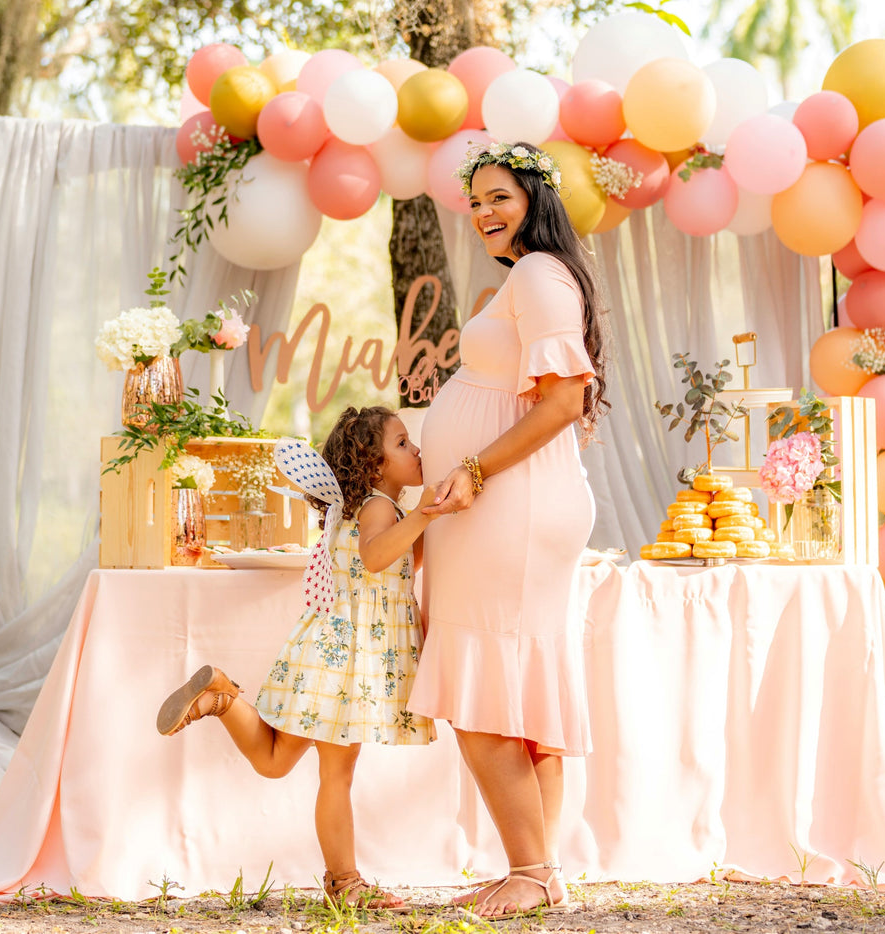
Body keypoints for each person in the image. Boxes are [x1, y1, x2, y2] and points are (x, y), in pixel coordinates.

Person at [406, 141, 610, 920]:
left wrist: (476, 470)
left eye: (500, 197)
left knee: (487, 684)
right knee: (518, 690)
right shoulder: (528, 279)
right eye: (477, 201)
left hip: (508, 509)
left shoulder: (536, 274)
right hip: (499, 506)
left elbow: (562, 401)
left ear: (535, 198)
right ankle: (539, 871)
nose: (484, 213)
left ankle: (530, 868)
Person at [155, 406, 440, 911]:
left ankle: (221, 697)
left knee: (274, 761)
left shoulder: (366, 510)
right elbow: (376, 557)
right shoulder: (379, 509)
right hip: (346, 660)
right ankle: (345, 882)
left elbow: (390, 562)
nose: (415, 449)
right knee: (337, 774)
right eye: (402, 443)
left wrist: (425, 533)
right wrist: (426, 514)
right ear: (374, 468)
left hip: (331, 651)